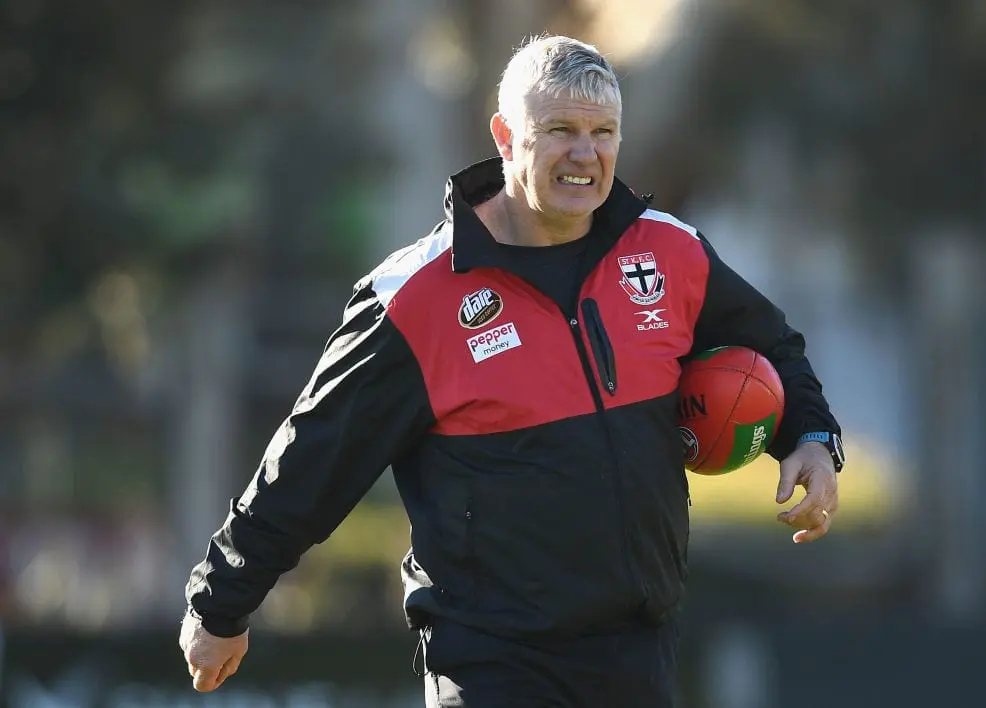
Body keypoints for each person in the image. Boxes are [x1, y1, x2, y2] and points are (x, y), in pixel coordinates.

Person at [178, 34, 844, 707]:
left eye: (603, 132)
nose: (585, 154)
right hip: (494, 663)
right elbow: (314, 456)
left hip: (639, 650)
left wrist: (810, 438)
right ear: (504, 135)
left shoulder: (670, 251)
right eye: (560, 131)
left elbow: (773, 347)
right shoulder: (416, 299)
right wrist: (221, 602)